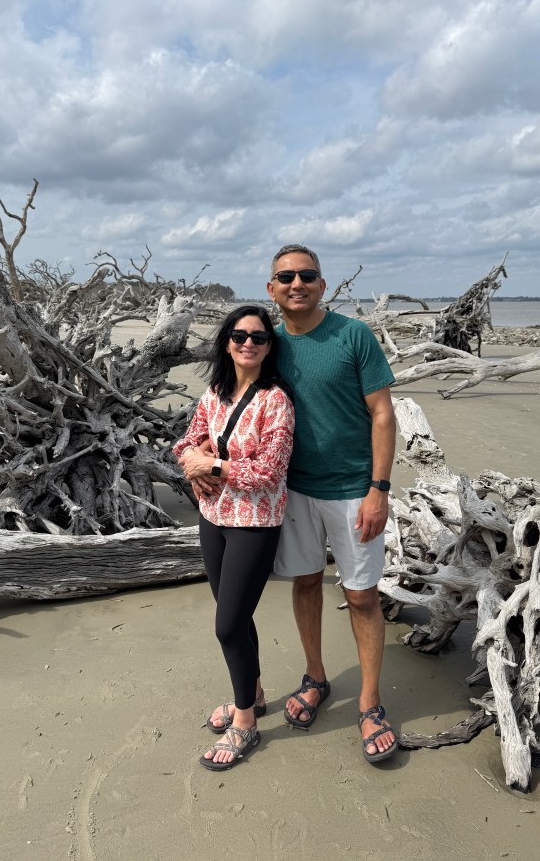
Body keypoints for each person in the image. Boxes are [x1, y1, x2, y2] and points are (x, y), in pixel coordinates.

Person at [266, 244, 398, 763]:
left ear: (323, 285)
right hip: (294, 490)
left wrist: (378, 489)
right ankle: (315, 677)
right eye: (286, 277)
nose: (296, 284)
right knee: (304, 582)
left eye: (307, 275)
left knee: (361, 596)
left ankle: (369, 701)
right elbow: (235, 400)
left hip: (353, 490)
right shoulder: (267, 343)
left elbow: (382, 413)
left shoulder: (353, 334)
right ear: (272, 288)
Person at [173, 305, 294, 771]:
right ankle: (255, 693)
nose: (248, 343)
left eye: (258, 337)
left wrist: (214, 464)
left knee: (227, 626)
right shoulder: (215, 393)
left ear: (269, 346)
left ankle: (245, 721)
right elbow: (186, 442)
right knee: (237, 618)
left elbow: (269, 473)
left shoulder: (276, 401)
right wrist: (194, 464)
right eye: (240, 335)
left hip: (254, 523)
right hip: (213, 515)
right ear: (227, 343)